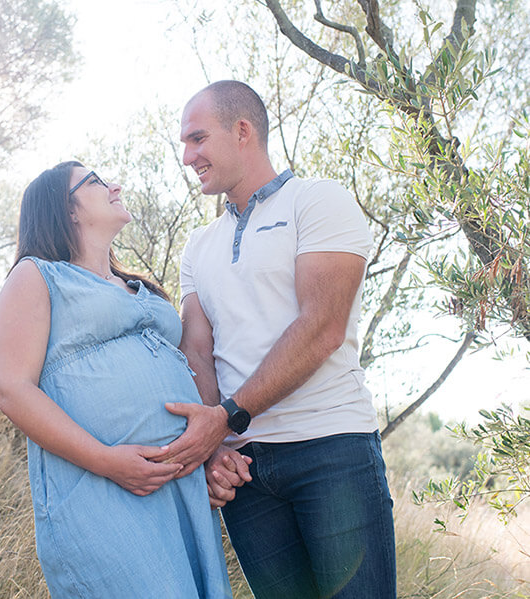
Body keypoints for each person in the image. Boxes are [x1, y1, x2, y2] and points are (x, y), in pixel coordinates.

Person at [158, 81, 396, 598]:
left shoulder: (319, 201)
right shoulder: (199, 245)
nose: (187, 156)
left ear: (242, 131)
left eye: (197, 139)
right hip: (246, 475)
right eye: (184, 143)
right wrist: (216, 443)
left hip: (330, 450)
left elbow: (322, 327)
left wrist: (225, 417)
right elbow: (196, 348)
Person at [0, 161, 241, 598]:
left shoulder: (138, 286)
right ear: (66, 210)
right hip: (101, 488)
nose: (115, 185)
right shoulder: (37, 276)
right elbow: (12, 390)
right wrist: (108, 462)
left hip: (178, 487)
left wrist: (209, 448)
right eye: (96, 182)